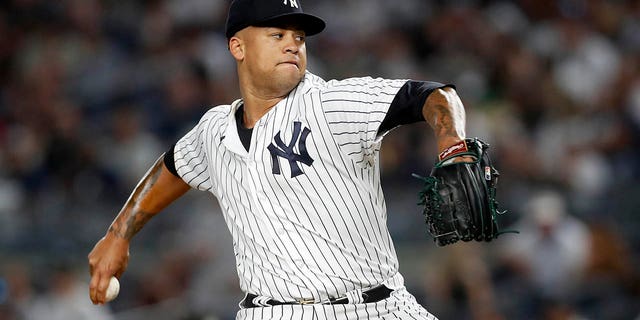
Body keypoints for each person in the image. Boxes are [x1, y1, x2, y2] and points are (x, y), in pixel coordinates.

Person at [88, 0, 475, 318]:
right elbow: (173, 168)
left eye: (299, 37)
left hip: (376, 307)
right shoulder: (213, 131)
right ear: (237, 47)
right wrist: (118, 235)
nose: (293, 44)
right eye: (277, 35)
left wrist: (452, 143)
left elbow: (432, 95)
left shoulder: (329, 103)